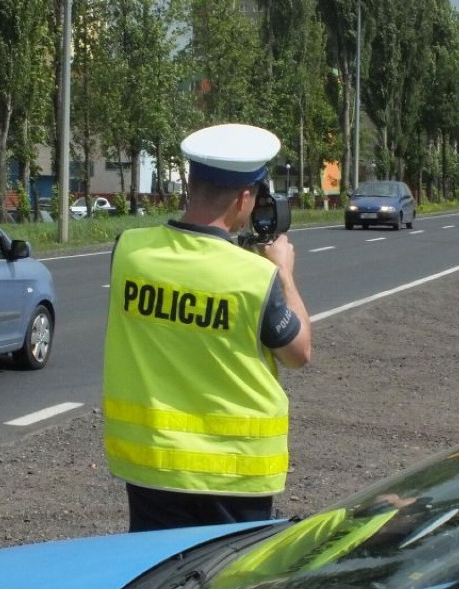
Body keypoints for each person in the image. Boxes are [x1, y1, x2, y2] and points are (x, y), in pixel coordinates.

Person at [103, 123, 312, 532]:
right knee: (226, 586)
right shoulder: (254, 277)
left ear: (191, 184)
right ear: (245, 197)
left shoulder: (129, 251)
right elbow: (299, 353)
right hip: (234, 473)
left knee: (159, 584)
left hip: (153, 464)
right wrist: (284, 272)